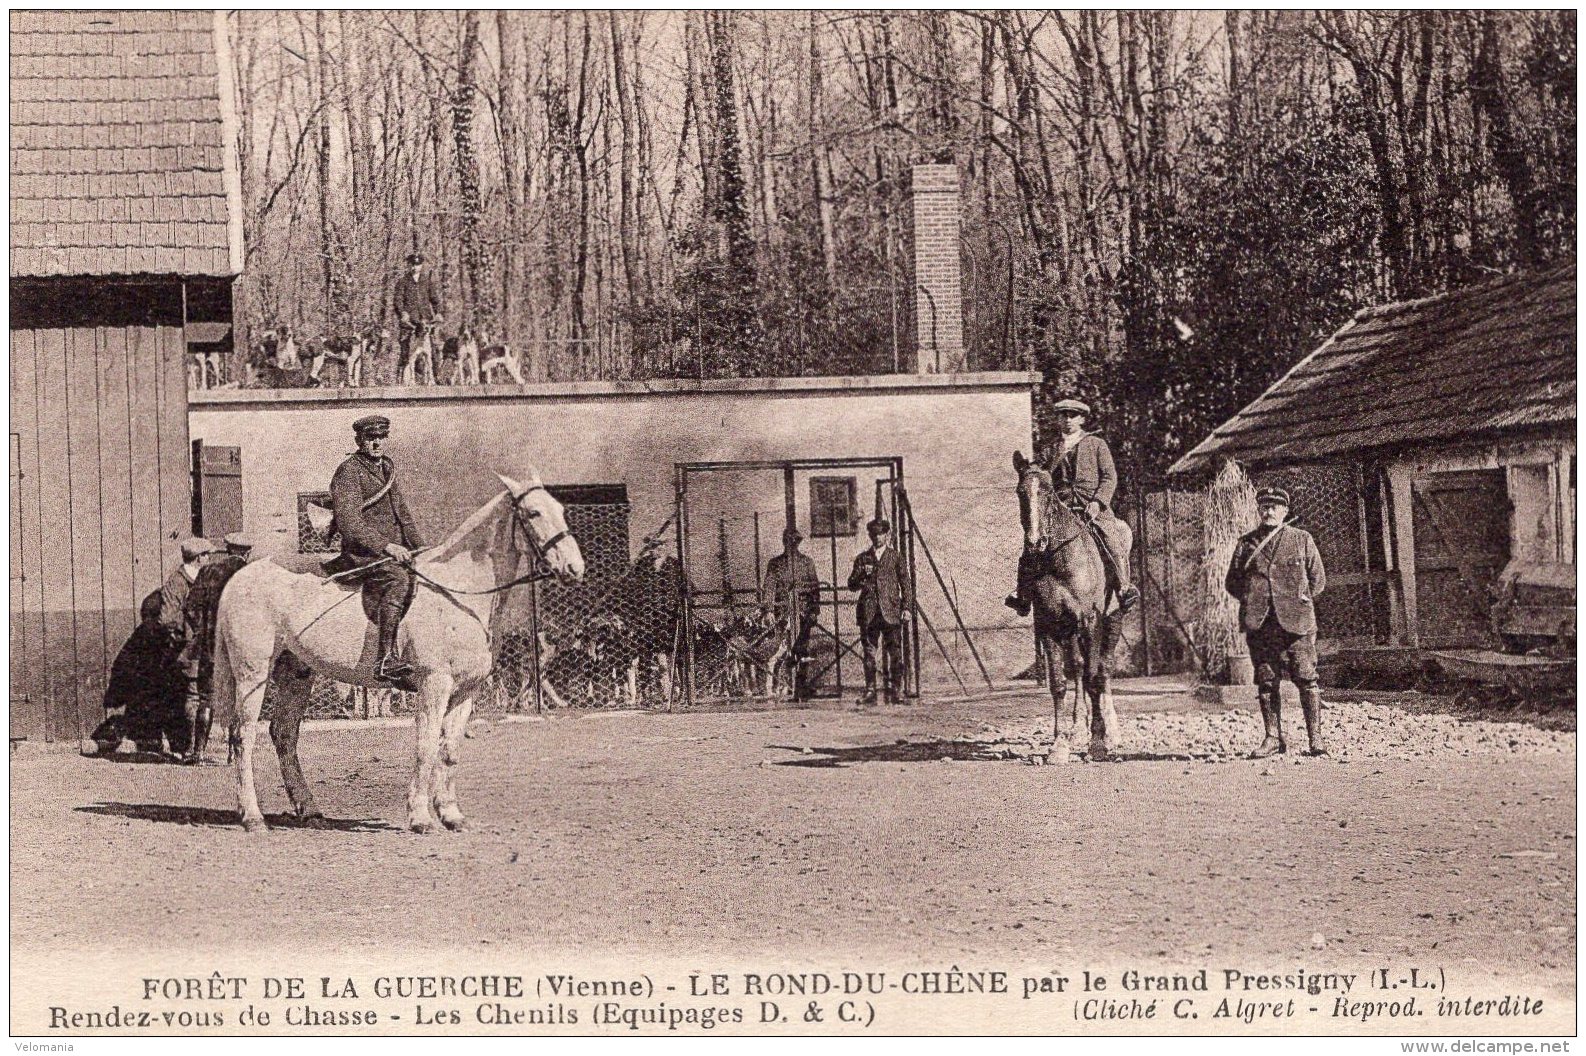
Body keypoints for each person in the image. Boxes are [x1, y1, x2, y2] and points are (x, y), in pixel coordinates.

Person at [1006, 398, 1138, 616]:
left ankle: (1124, 588)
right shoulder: (1051, 449)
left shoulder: (1097, 444)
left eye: (1072, 415)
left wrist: (1097, 502)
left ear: (1082, 419)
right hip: (1061, 509)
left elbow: (1109, 477)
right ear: (1058, 419)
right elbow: (1038, 475)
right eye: (1063, 415)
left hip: (1092, 507)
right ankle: (1022, 595)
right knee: (1032, 542)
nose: (1067, 420)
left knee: (1110, 538)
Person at [1225, 486, 1328, 757]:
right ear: (1259, 510)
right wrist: (1255, 600)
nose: (1269, 511)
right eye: (1265, 506)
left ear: (1285, 511)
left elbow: (1318, 581)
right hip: (1261, 625)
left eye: (1275, 506)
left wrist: (1296, 600)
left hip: (1297, 623)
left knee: (1307, 678)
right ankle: (1273, 738)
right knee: (1267, 681)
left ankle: (1315, 739)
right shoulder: (1246, 544)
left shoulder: (1301, 539)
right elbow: (1233, 582)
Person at [330, 414, 427, 691]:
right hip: (365, 553)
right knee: (398, 579)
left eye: (381, 438)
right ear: (359, 440)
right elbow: (350, 523)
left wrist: (422, 548)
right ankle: (385, 658)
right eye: (371, 438)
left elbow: (403, 515)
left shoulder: (386, 467)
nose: (376, 443)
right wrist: (387, 546)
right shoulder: (348, 471)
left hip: (393, 551)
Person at [182, 532, 256, 764]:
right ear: (247, 552)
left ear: (227, 548)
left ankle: (199, 752)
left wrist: (202, 631)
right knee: (241, 697)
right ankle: (235, 753)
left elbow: (190, 608)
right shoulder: (252, 574)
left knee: (207, 698)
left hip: (212, 647)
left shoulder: (208, 572)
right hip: (245, 648)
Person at [154, 537, 213, 760]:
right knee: (194, 696)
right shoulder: (177, 582)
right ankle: (189, 749)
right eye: (207, 555)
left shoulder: (203, 579)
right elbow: (167, 618)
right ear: (199, 558)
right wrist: (190, 633)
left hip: (207, 649)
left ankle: (200, 750)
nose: (209, 559)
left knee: (206, 697)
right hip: (190, 651)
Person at [847, 517, 913, 705]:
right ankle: (870, 691)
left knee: (895, 653)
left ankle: (896, 690)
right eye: (873, 534)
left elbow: (906, 585)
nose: (877, 537)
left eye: (881, 534)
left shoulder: (896, 557)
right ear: (870, 536)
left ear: (887, 535)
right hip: (869, 613)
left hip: (891, 611)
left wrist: (907, 608)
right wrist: (861, 575)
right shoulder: (863, 558)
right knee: (869, 653)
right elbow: (851, 584)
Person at [760, 526, 822, 701]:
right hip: (782, 615)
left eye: (795, 541)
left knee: (802, 650)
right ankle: (781, 685)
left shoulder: (807, 562)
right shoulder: (775, 564)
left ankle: (800, 687)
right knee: (780, 651)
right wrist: (769, 609)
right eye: (788, 541)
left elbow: (815, 588)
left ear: (799, 543)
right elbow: (769, 587)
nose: (792, 545)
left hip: (803, 614)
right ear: (784, 542)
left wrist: (814, 610)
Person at [394, 252, 443, 379]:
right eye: (412, 264)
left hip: (426, 320)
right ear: (408, 265)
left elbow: (434, 298)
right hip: (409, 323)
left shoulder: (427, 281)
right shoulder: (402, 282)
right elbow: (397, 301)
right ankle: (403, 379)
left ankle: (435, 377)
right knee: (406, 350)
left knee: (433, 348)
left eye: (417, 264)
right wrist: (402, 312)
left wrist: (438, 312)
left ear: (421, 265)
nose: (414, 267)